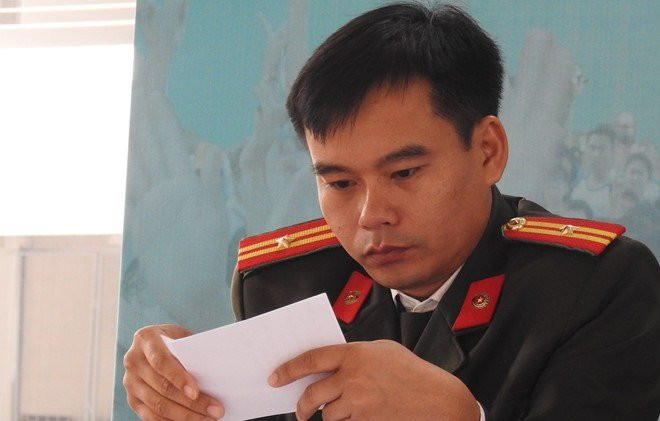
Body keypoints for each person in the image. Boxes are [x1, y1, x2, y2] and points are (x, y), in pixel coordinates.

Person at [122, 3, 660, 420]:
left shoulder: (595, 286)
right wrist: (182, 388)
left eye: (404, 173)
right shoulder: (283, 285)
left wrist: (464, 418)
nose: (370, 215)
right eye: (339, 183)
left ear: (487, 151)